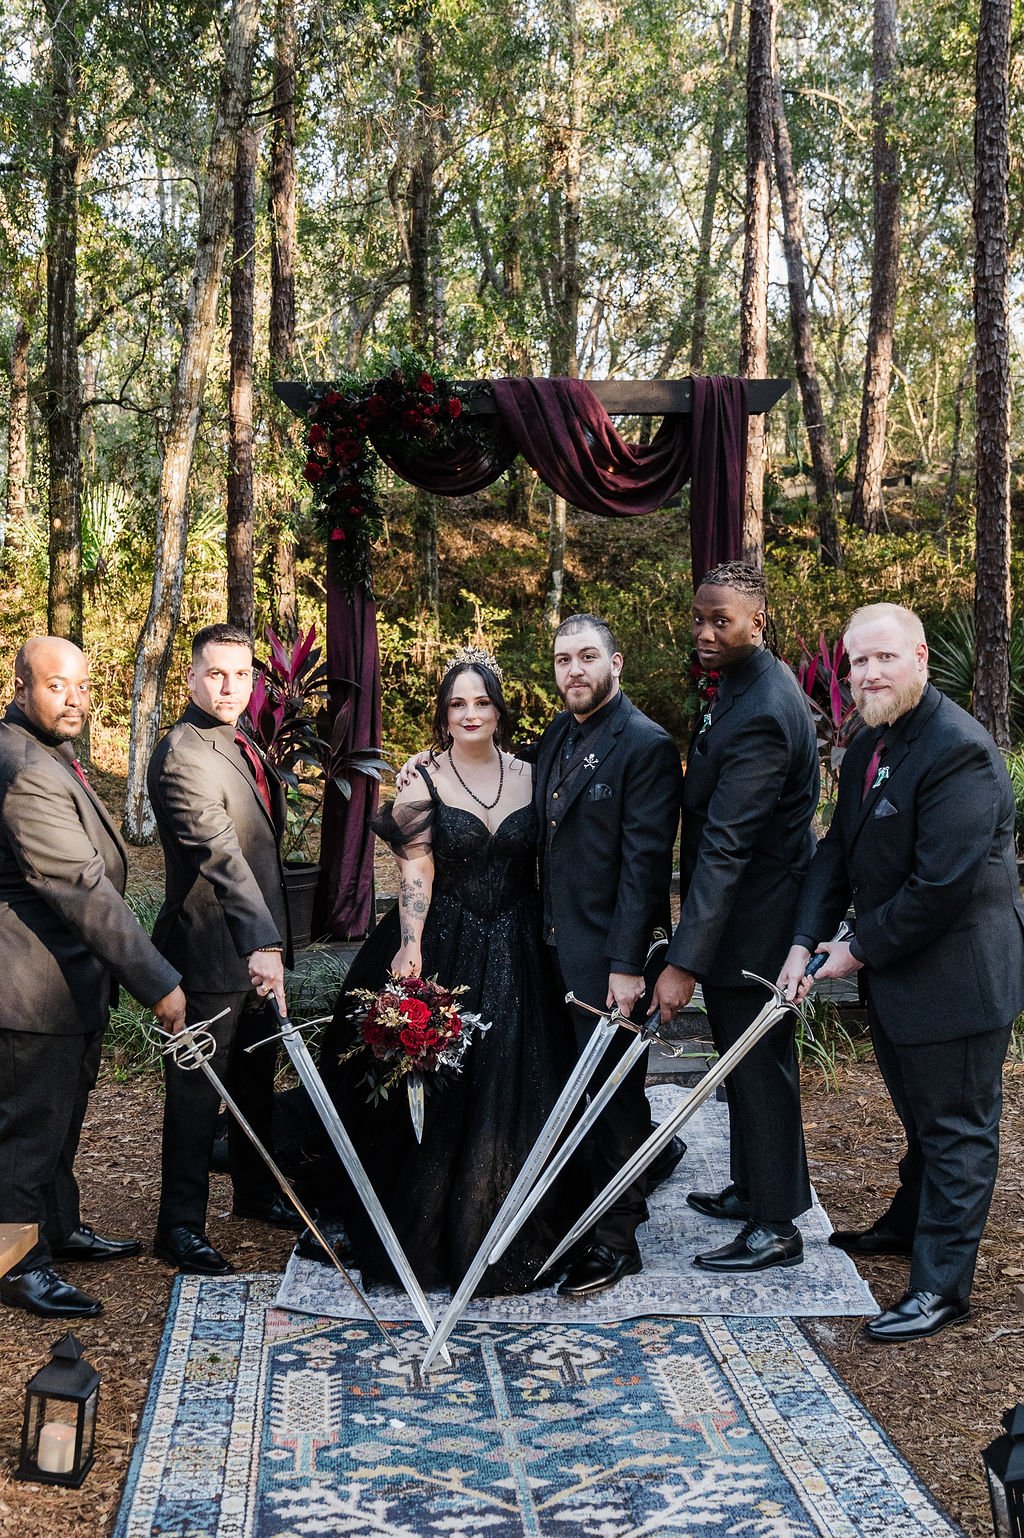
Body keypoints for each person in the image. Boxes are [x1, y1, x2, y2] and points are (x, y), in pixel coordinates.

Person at [778, 602, 1024, 1342]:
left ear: (920, 656)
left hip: (959, 977)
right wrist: (803, 939)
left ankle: (942, 1288)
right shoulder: (868, 747)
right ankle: (907, 1224)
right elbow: (837, 856)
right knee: (923, 1119)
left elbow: (940, 886)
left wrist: (852, 952)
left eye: (885, 657)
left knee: (956, 1131)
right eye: (857, 661)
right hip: (898, 974)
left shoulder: (960, 750)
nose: (869, 672)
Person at [319, 649, 583, 1294]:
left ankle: (511, 1222)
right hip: (446, 936)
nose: (470, 713)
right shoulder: (422, 780)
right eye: (457, 703)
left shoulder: (534, 771)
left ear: (500, 708)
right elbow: (417, 868)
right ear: (444, 713)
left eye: (482, 701)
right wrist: (410, 948)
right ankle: (429, 1232)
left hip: (522, 947)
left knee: (518, 1079)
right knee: (438, 1086)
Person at [0, 637, 185, 1319]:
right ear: (20, 687)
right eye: (57, 685)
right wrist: (157, 979)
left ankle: (57, 1227)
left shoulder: (48, 752)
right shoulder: (19, 765)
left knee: (63, 1119)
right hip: (27, 989)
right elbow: (78, 886)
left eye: (82, 685)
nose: (75, 698)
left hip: (67, 982)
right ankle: (21, 1266)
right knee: (28, 1132)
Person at [651, 562, 820, 1274]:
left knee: (758, 1072)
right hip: (743, 915)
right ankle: (757, 1188)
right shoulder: (740, 686)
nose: (705, 632)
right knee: (743, 1064)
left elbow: (726, 846)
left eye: (722, 620)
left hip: (755, 922)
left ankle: (777, 1225)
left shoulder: (765, 714)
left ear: (759, 620)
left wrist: (685, 958)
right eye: (699, 618)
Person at [531, 614, 685, 1297]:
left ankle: (618, 1241)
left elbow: (643, 870)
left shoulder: (646, 745)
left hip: (610, 960)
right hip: (553, 951)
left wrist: (627, 965)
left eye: (587, 657)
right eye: (564, 660)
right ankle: (585, 1209)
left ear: (614, 663)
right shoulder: (556, 735)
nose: (574, 671)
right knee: (573, 1094)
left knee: (614, 1101)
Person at [147, 623, 295, 1277]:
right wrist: (261, 942)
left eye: (241, 674)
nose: (230, 686)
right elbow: (221, 855)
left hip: (255, 953)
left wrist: (270, 946)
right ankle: (179, 1227)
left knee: (255, 1084)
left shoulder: (240, 740)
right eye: (216, 673)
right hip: (208, 953)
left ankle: (256, 1196)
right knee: (195, 1096)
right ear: (191, 678)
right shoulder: (183, 753)